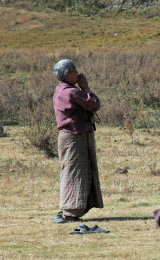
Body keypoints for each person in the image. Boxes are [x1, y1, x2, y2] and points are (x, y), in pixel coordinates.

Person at [52, 59, 103, 223]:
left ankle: (71, 209)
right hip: (74, 137)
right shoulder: (72, 92)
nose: (78, 73)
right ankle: (69, 212)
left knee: (75, 172)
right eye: (74, 71)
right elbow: (94, 104)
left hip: (71, 136)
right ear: (67, 75)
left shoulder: (61, 90)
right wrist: (86, 87)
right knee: (74, 173)